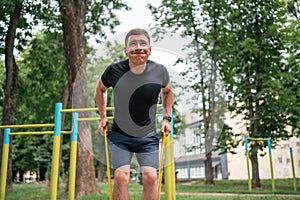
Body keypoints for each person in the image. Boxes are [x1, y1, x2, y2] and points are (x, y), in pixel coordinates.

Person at [95, 28, 173, 200]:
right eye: (133, 44)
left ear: (149, 50)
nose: (138, 47)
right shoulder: (114, 71)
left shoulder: (159, 71)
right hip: (120, 135)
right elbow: (100, 89)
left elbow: (167, 91)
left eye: (143, 43)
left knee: (151, 178)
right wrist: (102, 117)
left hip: (147, 136)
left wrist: (166, 118)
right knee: (122, 178)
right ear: (126, 51)